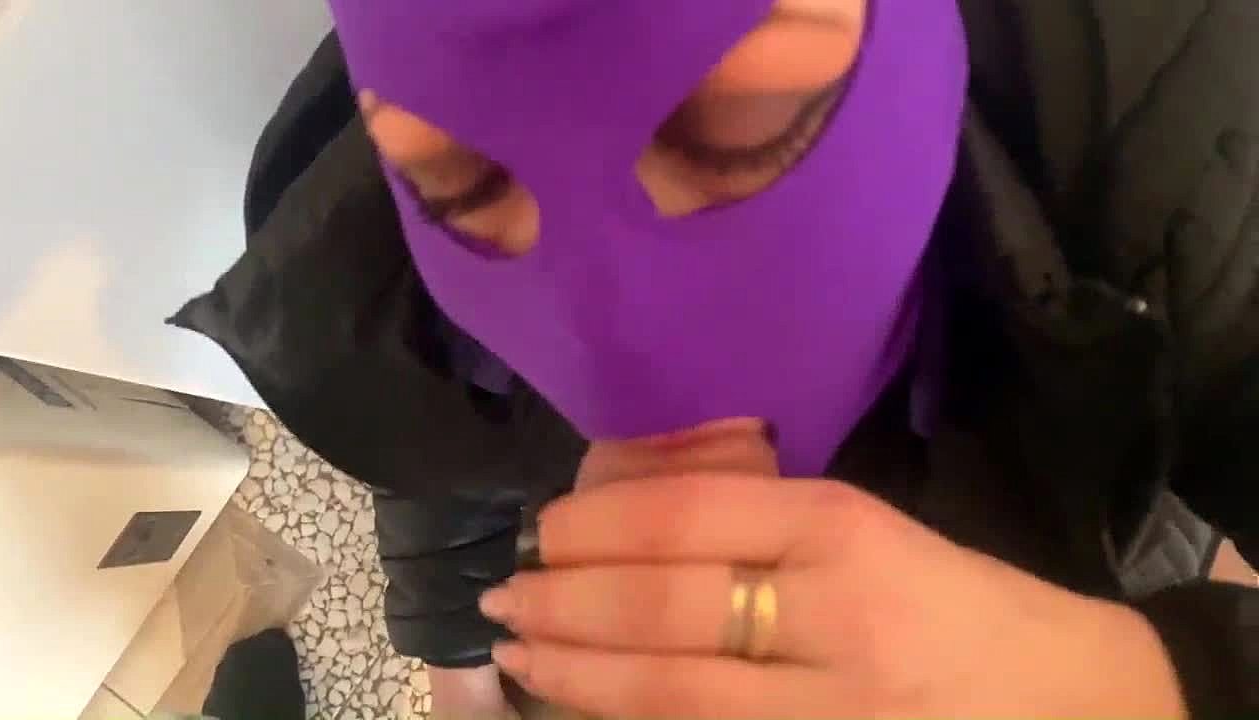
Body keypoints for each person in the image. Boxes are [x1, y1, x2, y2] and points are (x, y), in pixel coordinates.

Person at [173, 0, 1259, 716]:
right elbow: (441, 397)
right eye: (464, 191)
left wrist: (1144, 680)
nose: (618, 332)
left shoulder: (1192, 135)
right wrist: (455, 646)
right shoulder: (358, 211)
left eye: (740, 121)